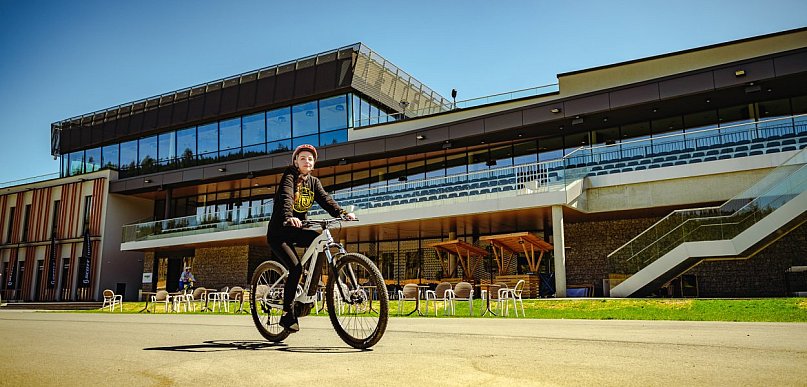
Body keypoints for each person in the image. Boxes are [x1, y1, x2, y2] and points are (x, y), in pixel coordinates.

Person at [267, 144, 355, 332]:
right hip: (280, 231)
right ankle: (287, 313)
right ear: (296, 162)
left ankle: (309, 288)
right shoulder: (289, 176)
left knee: (319, 241)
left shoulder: (314, 182)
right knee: (295, 268)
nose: (307, 161)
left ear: (314, 163)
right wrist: (288, 216)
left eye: (310, 159)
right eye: (302, 158)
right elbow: (285, 196)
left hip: (297, 229)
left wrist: (342, 213)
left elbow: (325, 199)